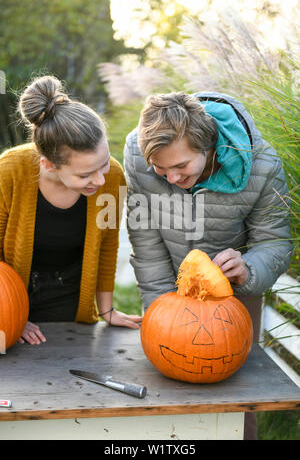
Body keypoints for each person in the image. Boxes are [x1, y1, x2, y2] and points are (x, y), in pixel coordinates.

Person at [123, 91, 293, 439]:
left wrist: (248, 269)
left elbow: (274, 241)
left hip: (234, 292)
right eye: (160, 169)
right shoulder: (136, 154)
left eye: (181, 167)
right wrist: (160, 313)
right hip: (169, 285)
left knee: (236, 394)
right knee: (164, 384)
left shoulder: (262, 165)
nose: (171, 178)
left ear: (210, 146)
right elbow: (146, 236)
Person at [0, 75, 142, 345]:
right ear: (49, 164)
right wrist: (10, 316)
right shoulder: (9, 172)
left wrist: (107, 310)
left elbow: (108, 246)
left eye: (102, 164)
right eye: (86, 174)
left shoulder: (112, 176)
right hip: (9, 300)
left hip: (72, 301)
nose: (100, 180)